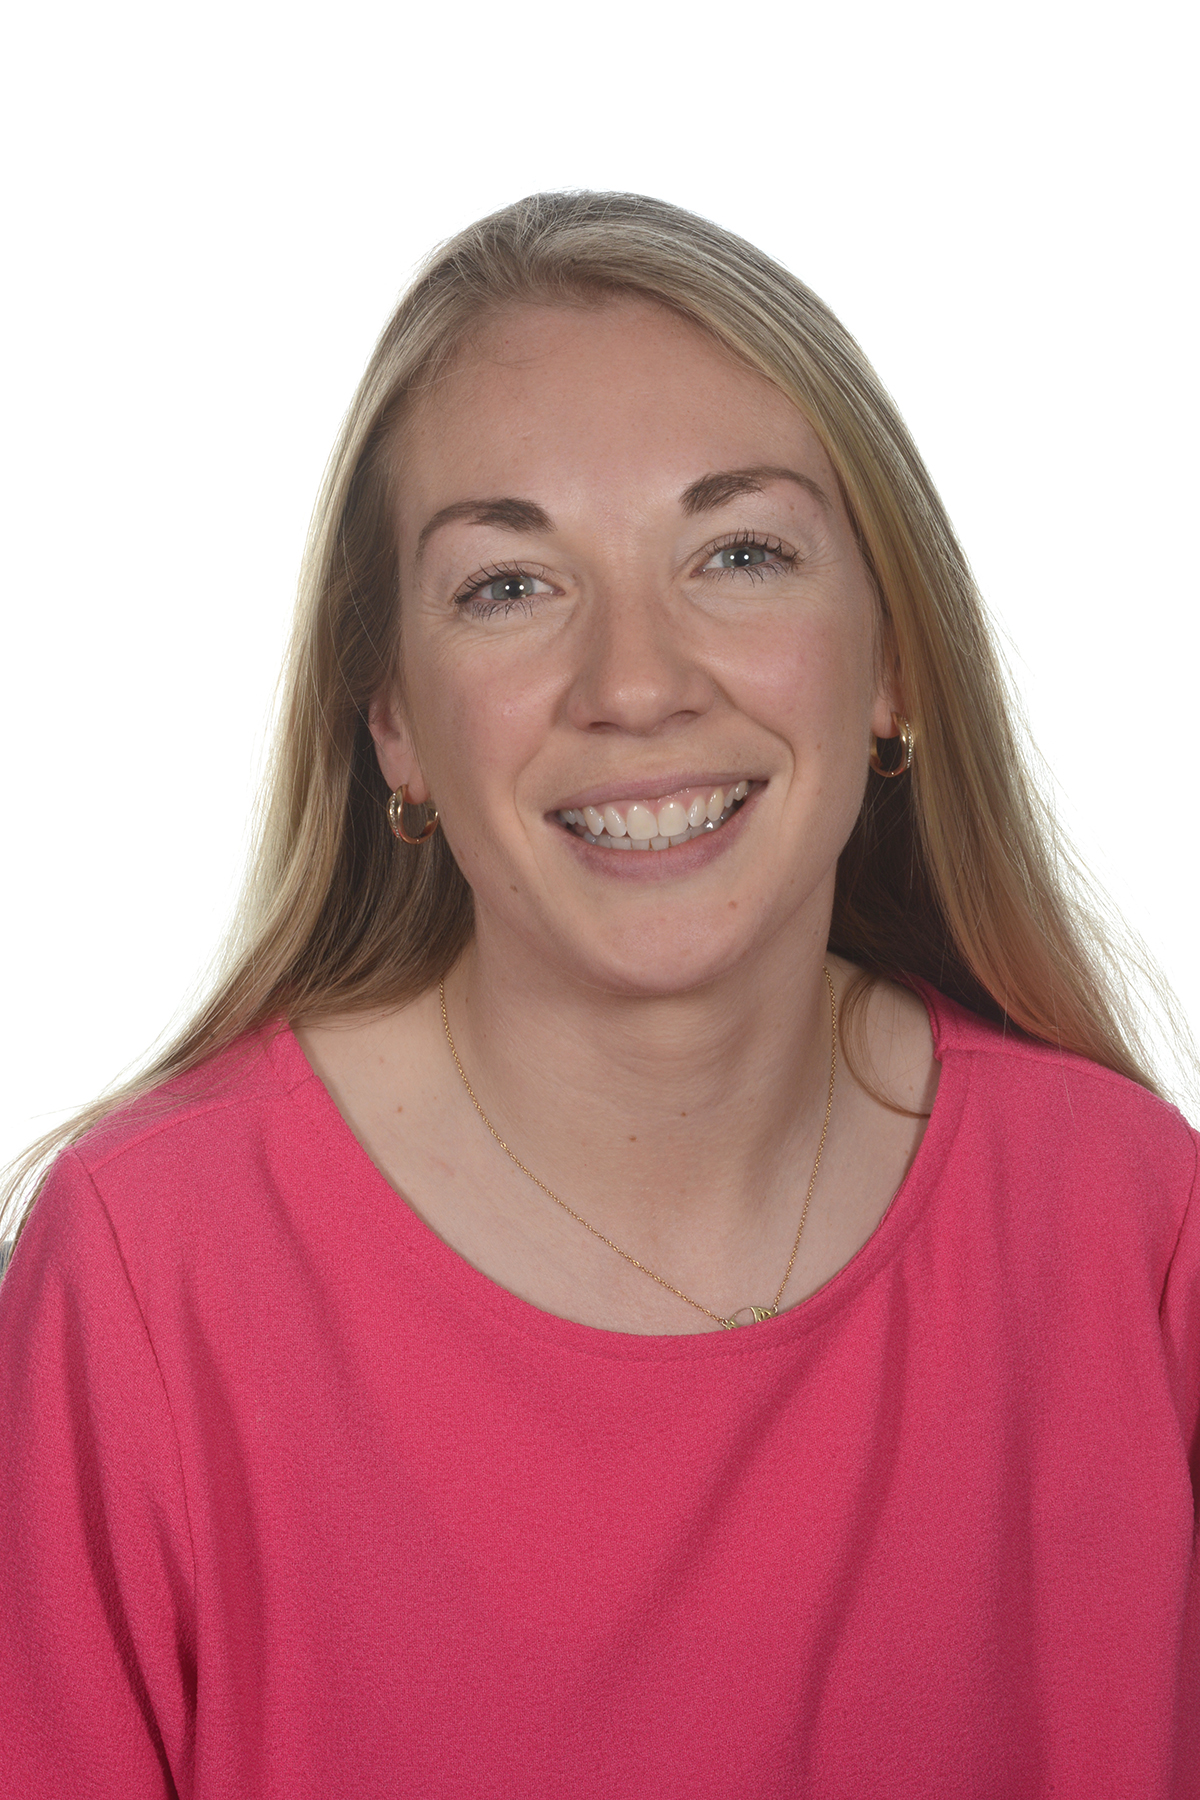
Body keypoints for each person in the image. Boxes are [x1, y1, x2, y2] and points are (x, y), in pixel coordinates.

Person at [0, 190, 1196, 1800]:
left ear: (894, 663)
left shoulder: (1134, 1225)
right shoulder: (150, 1278)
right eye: (510, 585)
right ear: (397, 728)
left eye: (741, 553)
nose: (636, 683)